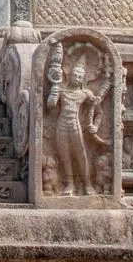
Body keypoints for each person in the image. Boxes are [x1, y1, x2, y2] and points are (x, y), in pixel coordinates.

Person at [46, 54, 99, 196]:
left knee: (81, 155)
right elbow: (50, 105)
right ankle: (70, 184)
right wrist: (54, 88)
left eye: (80, 77)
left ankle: (88, 184)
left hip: (76, 126)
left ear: (83, 79)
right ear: (70, 75)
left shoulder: (85, 93)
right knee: (65, 156)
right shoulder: (62, 91)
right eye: (75, 75)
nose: (77, 78)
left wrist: (95, 126)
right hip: (61, 125)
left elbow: (99, 112)